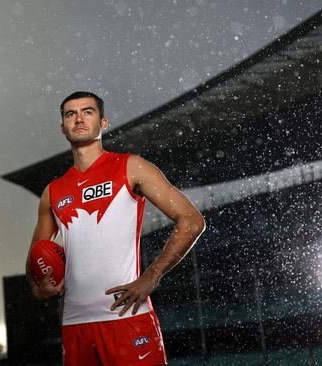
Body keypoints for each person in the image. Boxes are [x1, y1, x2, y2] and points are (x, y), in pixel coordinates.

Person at [27, 91, 205, 365]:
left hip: (127, 318)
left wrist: (152, 276)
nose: (78, 119)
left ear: (104, 122)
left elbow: (191, 220)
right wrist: (38, 288)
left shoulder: (131, 167)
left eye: (87, 112)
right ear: (62, 127)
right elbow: (35, 254)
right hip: (76, 325)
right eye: (70, 114)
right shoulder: (52, 192)